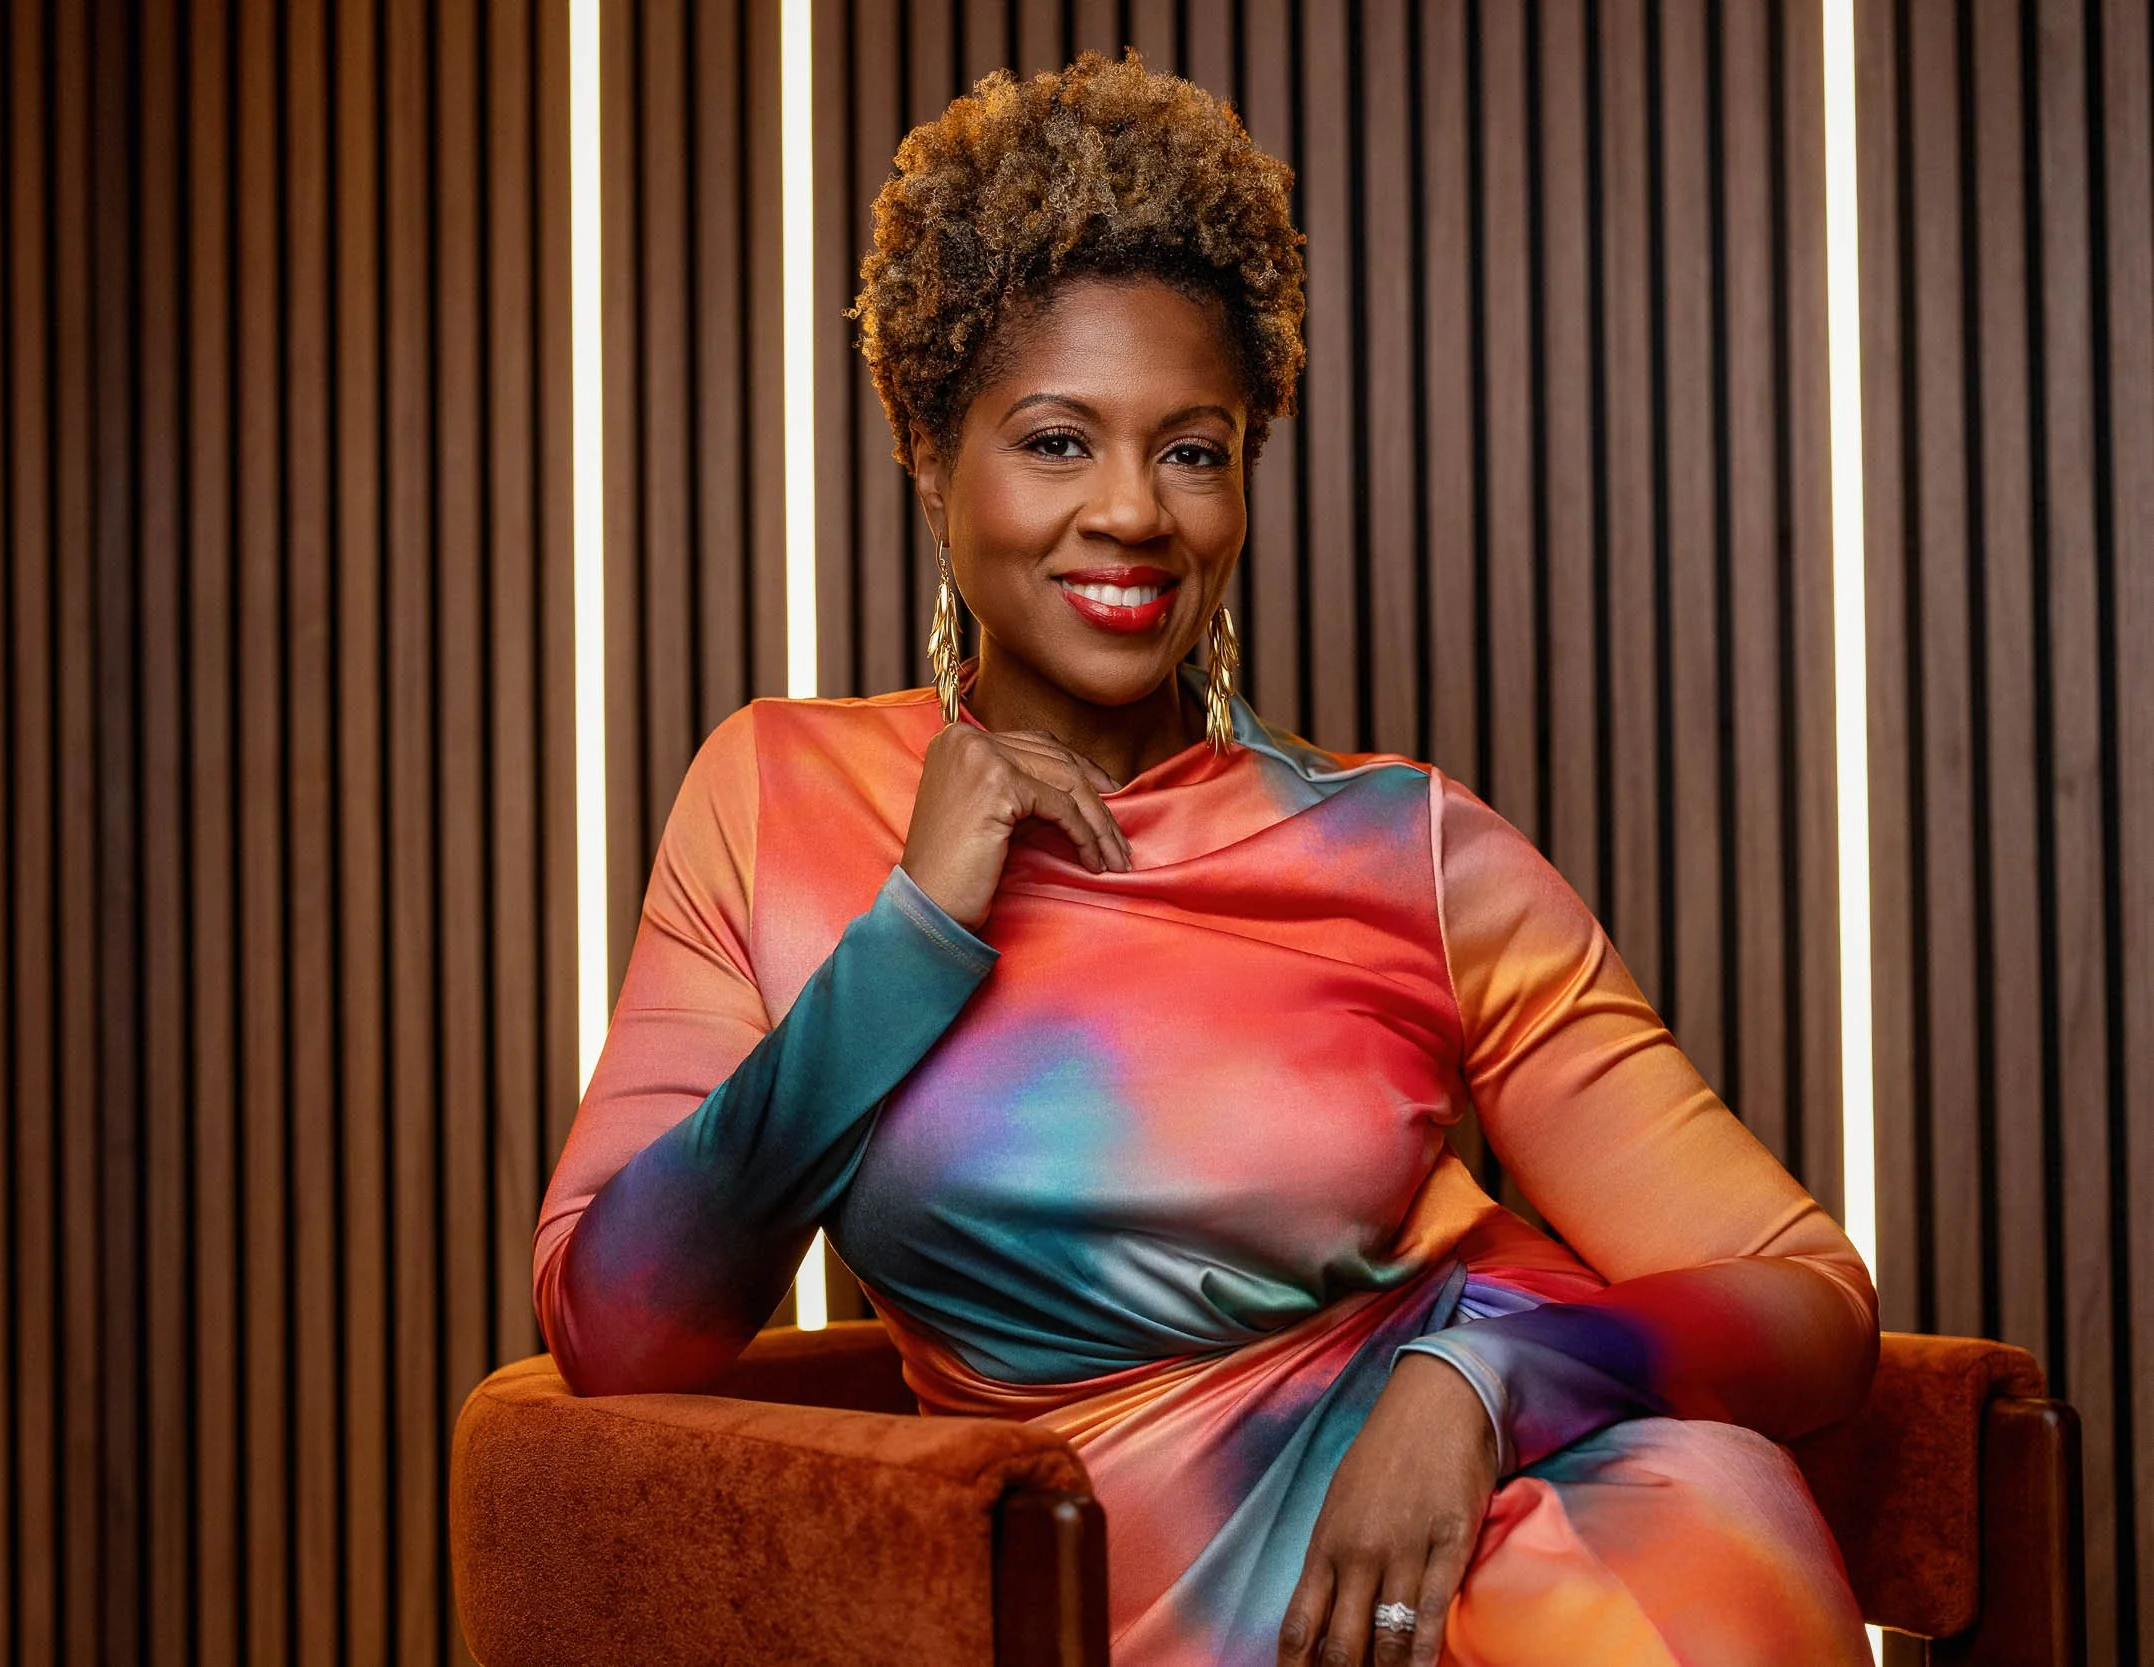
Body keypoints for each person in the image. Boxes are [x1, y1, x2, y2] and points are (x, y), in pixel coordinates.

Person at [534, 49, 1877, 1667]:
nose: (1133, 513)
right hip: (1091, 1607)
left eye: (1193, 448)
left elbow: (1808, 1292)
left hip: (1516, 1533)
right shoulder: (777, 794)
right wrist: (910, 932)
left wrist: (1486, 1379)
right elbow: (616, 1328)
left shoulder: (1404, 844)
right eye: (1053, 441)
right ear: (926, 453)